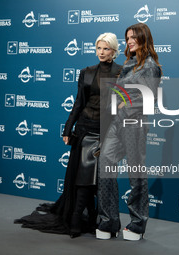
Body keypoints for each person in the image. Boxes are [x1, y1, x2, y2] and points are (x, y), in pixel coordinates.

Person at [14, 32, 122, 238]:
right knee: (83, 175)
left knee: (101, 180)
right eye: (98, 48)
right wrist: (67, 128)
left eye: (106, 49)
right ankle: (75, 216)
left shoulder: (122, 73)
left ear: (114, 51)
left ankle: (94, 218)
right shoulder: (87, 72)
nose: (101, 52)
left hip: (108, 132)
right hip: (85, 129)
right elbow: (78, 103)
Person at [96, 23, 162, 241]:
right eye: (127, 38)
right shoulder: (128, 63)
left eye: (133, 37)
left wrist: (124, 105)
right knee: (105, 163)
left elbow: (148, 98)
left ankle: (137, 224)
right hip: (117, 123)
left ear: (144, 38)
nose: (129, 41)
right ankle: (109, 220)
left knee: (136, 174)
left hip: (135, 124)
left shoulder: (150, 66)